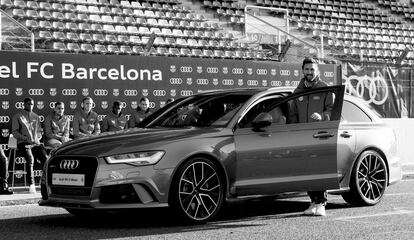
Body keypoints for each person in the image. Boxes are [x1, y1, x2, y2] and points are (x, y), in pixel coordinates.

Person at [289, 58, 334, 216]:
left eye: (312, 70)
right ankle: (313, 202)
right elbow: (293, 114)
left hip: (319, 135)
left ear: (318, 71)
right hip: (303, 136)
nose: (309, 72)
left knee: (318, 168)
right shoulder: (298, 91)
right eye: (307, 69)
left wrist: (322, 116)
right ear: (303, 71)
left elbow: (332, 110)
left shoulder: (325, 89)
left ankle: (321, 203)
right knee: (306, 169)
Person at [12, 97, 48, 194]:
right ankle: (31, 184)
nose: (30, 106)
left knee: (45, 157)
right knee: (30, 159)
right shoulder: (17, 116)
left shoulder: (36, 116)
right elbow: (14, 132)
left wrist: (38, 138)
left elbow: (40, 131)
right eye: (28, 104)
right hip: (23, 143)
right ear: (24, 104)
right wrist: (25, 138)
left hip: (35, 144)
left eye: (32, 104)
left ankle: (45, 183)